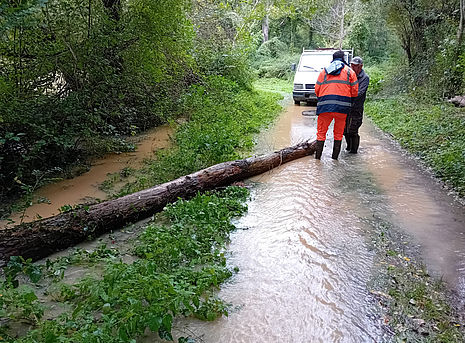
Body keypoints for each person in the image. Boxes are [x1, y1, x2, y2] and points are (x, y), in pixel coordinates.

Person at [314, 50, 359, 160]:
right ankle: (334, 160)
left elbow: (317, 90)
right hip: (342, 109)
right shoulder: (350, 72)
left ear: (333, 59)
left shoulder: (324, 72)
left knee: (321, 133)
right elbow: (355, 92)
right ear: (344, 59)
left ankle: (317, 160)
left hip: (325, 107)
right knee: (338, 134)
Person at [344, 56, 370, 154]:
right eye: (351, 65)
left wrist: (346, 94)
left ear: (360, 66)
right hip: (346, 107)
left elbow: (359, 93)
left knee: (353, 130)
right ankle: (348, 148)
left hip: (356, 108)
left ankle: (354, 152)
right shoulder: (348, 75)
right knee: (344, 131)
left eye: (355, 66)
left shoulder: (364, 78)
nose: (352, 67)